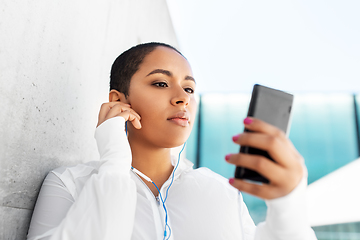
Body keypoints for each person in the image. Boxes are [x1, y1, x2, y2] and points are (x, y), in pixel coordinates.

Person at [27, 42, 317, 240]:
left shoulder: (222, 192)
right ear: (119, 100)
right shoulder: (69, 185)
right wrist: (114, 165)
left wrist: (288, 204)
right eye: (161, 83)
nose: (183, 97)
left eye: (189, 88)